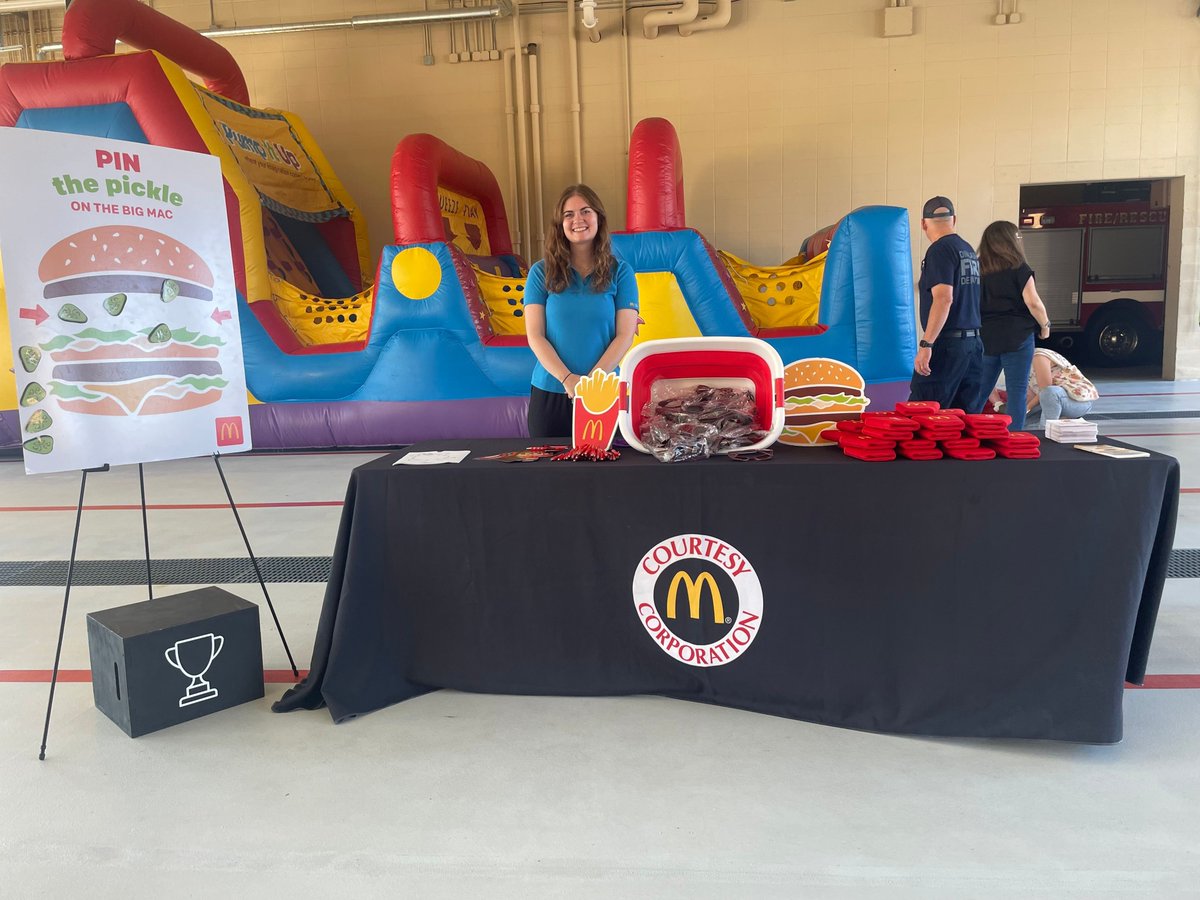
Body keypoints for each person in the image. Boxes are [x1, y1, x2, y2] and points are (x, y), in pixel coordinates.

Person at [524, 184, 640, 438]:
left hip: (605, 391)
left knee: (607, 475)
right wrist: (567, 379)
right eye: (568, 214)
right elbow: (535, 335)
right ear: (560, 224)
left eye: (585, 211)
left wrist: (592, 382)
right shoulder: (540, 273)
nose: (578, 220)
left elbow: (625, 335)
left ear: (598, 217)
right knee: (549, 475)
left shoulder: (621, 272)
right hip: (551, 392)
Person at [972, 220, 1052, 430]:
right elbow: (1033, 301)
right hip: (1018, 337)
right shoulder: (1019, 268)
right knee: (1017, 389)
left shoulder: (977, 269)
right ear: (1012, 241)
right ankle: (1014, 439)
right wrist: (1045, 325)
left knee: (981, 388)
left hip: (986, 336)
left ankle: (967, 433)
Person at [909, 196, 984, 410]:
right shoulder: (967, 250)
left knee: (923, 414)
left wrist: (926, 344)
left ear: (923, 223)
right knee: (964, 419)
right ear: (954, 220)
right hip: (973, 345)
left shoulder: (939, 250)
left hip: (947, 346)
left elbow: (944, 298)